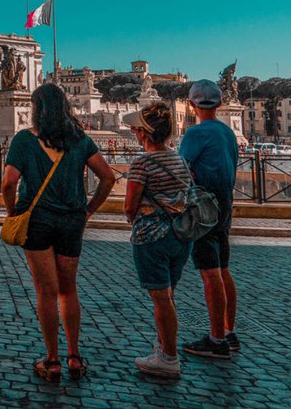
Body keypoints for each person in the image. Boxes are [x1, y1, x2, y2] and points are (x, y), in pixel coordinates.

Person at [0, 83, 115, 382]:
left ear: (36, 109)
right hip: (71, 222)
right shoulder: (80, 140)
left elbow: (8, 183)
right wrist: (88, 210)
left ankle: (52, 360)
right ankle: (74, 356)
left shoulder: (24, 140)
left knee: (46, 292)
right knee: (68, 290)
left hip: (36, 221)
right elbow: (108, 177)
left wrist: (12, 211)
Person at [123, 103, 193, 379]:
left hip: (153, 236)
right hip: (180, 235)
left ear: (143, 133)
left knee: (161, 298)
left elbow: (130, 204)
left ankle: (168, 358)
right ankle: (164, 345)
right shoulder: (178, 158)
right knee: (169, 294)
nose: (132, 131)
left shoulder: (142, 162)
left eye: (136, 128)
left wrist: (134, 216)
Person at [179, 79, 240, 359]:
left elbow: (182, 170)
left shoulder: (195, 134)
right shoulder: (228, 133)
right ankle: (229, 332)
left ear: (192, 104)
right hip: (225, 203)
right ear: (218, 104)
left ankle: (216, 340)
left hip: (204, 205)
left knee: (209, 272)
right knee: (223, 268)